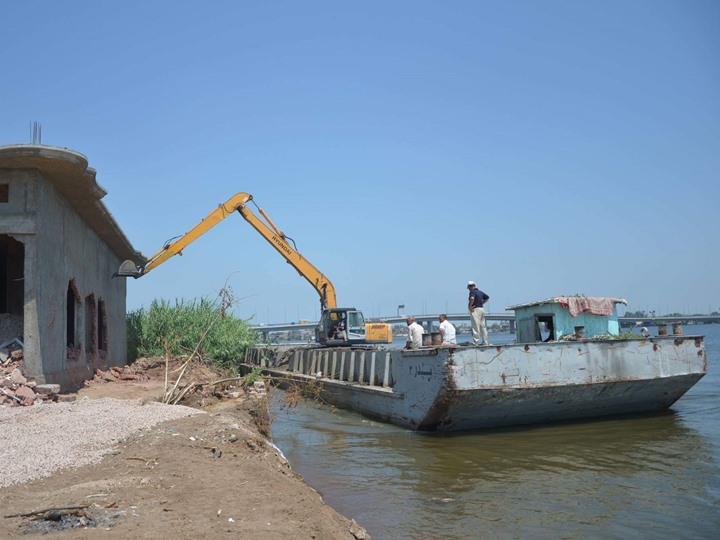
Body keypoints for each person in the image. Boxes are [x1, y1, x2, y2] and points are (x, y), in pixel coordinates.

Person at [467, 281, 490, 345]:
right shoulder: (480, 292)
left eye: (469, 287)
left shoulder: (472, 292)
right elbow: (487, 298)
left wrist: (470, 306)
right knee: (483, 326)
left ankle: (476, 341)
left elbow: (472, 298)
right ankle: (485, 342)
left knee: (475, 325)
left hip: (475, 310)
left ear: (470, 287)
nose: (469, 289)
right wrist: (482, 303)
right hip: (481, 309)